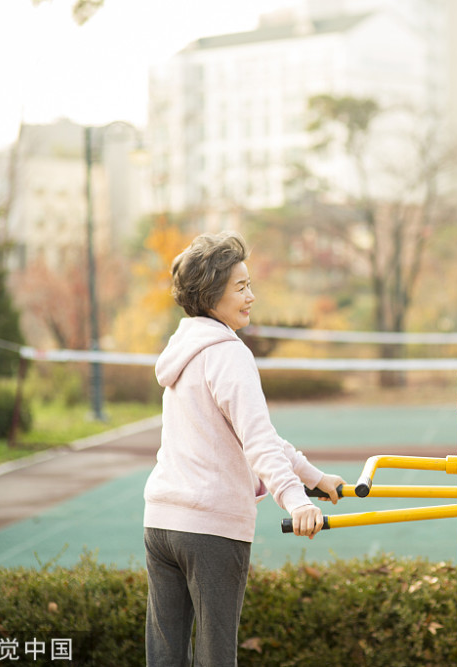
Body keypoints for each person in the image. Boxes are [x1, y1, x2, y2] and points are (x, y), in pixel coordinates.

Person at [143, 231, 345, 666]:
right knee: (216, 658)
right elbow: (258, 443)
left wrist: (314, 479)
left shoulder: (183, 350)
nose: (251, 296)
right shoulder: (229, 355)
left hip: (161, 523)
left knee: (164, 658)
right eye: (241, 287)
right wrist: (295, 501)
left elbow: (258, 436)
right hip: (210, 528)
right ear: (211, 292)